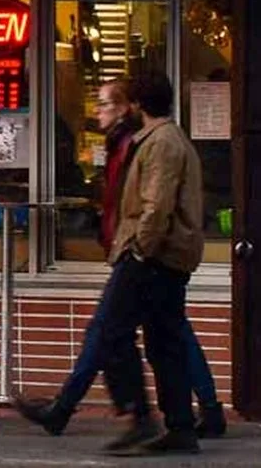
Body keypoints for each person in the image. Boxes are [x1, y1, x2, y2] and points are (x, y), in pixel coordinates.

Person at [24, 80, 228, 441]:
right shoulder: (153, 139)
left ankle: (139, 415)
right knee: (161, 338)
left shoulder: (160, 142)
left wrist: (138, 251)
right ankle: (178, 423)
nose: (101, 111)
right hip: (154, 254)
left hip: (151, 256)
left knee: (114, 332)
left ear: (134, 105)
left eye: (108, 104)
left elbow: (155, 205)